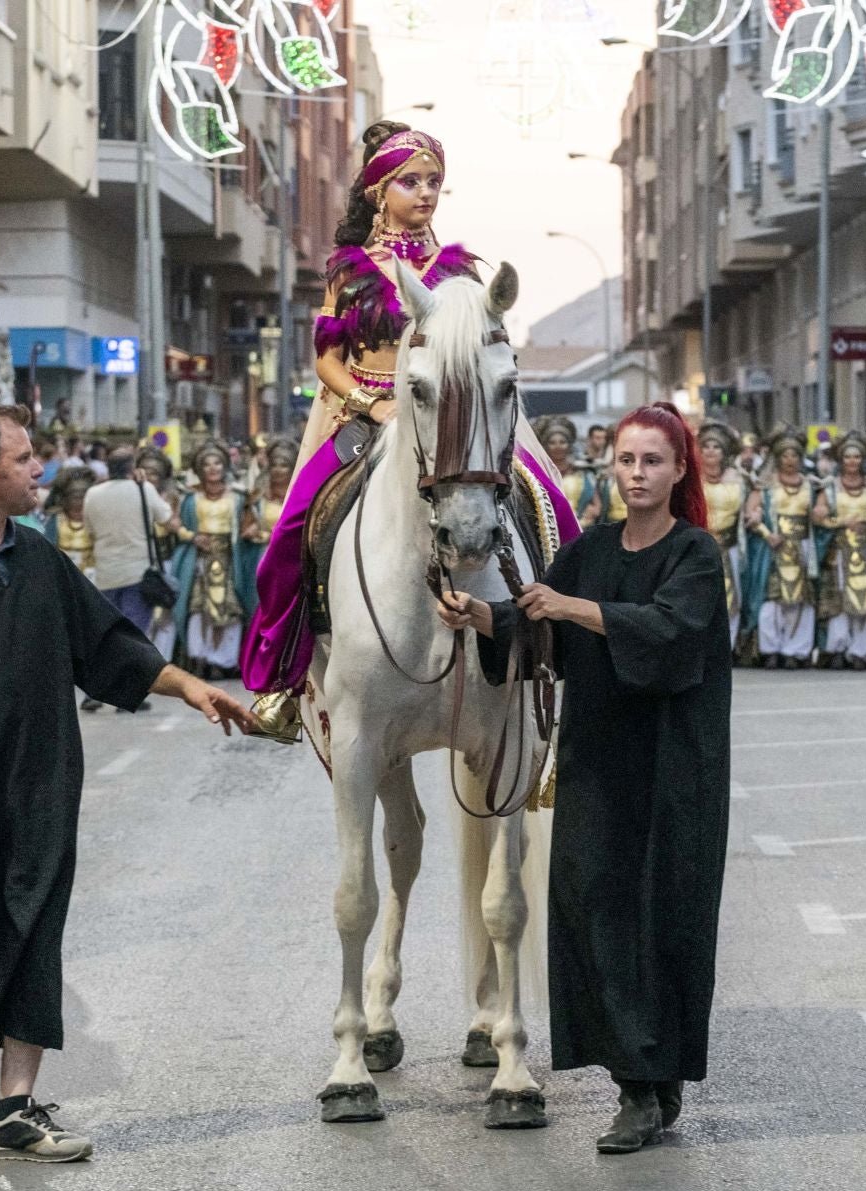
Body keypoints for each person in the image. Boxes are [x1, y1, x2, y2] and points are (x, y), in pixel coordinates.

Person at [0, 405, 254, 1164]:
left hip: (41, 780)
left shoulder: (38, 559)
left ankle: (17, 1104)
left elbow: (106, 644)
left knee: (33, 926)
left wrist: (191, 686)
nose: (42, 471)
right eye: (27, 459)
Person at [434, 402, 729, 1155]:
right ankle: (639, 1079)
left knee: (661, 919)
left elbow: (668, 634)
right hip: (597, 764)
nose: (637, 474)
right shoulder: (590, 548)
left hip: (672, 771)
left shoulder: (696, 553)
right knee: (588, 900)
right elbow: (542, 627)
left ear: (678, 470)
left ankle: (647, 1086)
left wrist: (576, 607)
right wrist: (484, 620)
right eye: (627, 460)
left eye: (653, 461)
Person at [240, 120, 578, 744]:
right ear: (378, 191)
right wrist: (372, 404)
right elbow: (325, 361)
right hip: (363, 418)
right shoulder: (350, 270)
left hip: (448, 418)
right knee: (291, 530)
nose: (424, 193)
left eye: (434, 183)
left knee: (554, 507)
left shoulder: (459, 272)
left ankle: (564, 650)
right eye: (410, 181)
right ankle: (281, 683)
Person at [166, 443, 259, 677]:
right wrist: (192, 537)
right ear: (199, 469)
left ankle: (226, 661)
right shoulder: (190, 498)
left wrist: (251, 530)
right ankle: (200, 658)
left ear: (225, 465)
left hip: (230, 558)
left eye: (217, 463)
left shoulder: (238, 497)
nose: (212, 468)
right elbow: (176, 524)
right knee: (197, 609)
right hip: (200, 559)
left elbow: (251, 521)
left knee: (231, 609)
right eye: (206, 464)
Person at [812, 433, 866, 670]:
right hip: (840, 552)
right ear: (840, 459)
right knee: (841, 601)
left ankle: (862, 651)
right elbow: (817, 515)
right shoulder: (830, 488)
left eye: (857, 456)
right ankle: (838, 648)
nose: (852, 461)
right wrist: (841, 522)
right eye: (848, 456)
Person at [83, 446, 172, 644]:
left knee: (112, 632)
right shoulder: (144, 489)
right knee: (135, 634)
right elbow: (165, 517)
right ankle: (132, 673)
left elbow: (89, 530)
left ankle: (115, 673)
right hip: (137, 574)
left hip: (106, 574)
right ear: (132, 468)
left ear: (108, 468)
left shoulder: (92, 494)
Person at [742, 433, 816, 669]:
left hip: (802, 547)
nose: (790, 459)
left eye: (794, 455)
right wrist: (766, 533)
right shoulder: (765, 485)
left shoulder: (811, 485)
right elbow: (750, 513)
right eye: (785, 455)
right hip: (773, 548)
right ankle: (770, 649)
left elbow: (819, 514)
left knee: (800, 601)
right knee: (771, 601)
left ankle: (795, 650)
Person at [697, 422, 750, 650]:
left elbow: (752, 508)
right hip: (698, 548)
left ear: (724, 452)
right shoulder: (690, 480)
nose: (710, 451)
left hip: (730, 546)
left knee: (732, 598)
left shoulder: (739, 480)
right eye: (706, 446)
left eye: (716, 447)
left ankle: (727, 646)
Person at [541, 416, 603, 528]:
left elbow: (597, 506)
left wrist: (591, 512)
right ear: (546, 445)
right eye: (552, 442)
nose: (558, 446)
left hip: (582, 531)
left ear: (569, 445)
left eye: (562, 442)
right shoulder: (540, 474)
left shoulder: (583, 472)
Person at [45, 468, 95, 572]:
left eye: (83, 497)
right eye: (75, 497)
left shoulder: (95, 519)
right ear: (64, 499)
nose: (79, 502)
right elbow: (47, 552)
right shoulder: (55, 520)